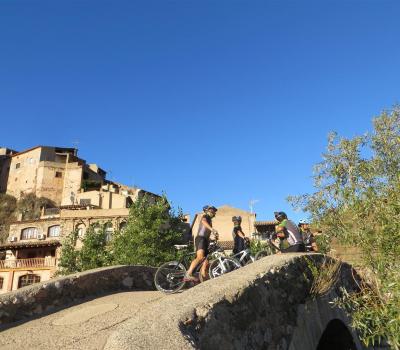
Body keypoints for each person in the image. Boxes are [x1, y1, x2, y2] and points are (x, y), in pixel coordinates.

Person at [184, 205, 218, 281]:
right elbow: (203, 221)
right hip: (200, 239)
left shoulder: (210, 220)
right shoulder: (206, 216)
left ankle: (204, 278)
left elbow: (206, 232)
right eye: (213, 211)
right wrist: (212, 229)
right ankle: (188, 273)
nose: (214, 213)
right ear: (208, 211)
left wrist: (212, 239)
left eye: (214, 211)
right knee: (200, 257)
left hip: (205, 240)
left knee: (205, 261)